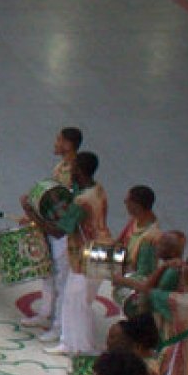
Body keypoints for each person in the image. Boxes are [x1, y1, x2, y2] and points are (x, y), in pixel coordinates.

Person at [24, 126, 83, 339]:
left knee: (62, 278)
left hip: (63, 230)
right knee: (48, 272)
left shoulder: (76, 171)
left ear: (68, 144)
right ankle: (45, 313)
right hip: (50, 224)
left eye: (59, 140)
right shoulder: (61, 166)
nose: (55, 143)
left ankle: (59, 326)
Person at [48, 151, 109, 356]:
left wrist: (33, 215)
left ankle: (80, 347)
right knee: (79, 300)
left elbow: (59, 231)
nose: (70, 171)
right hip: (105, 248)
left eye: (73, 169)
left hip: (88, 253)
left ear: (79, 172)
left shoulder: (82, 200)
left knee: (76, 300)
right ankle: (74, 342)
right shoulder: (98, 188)